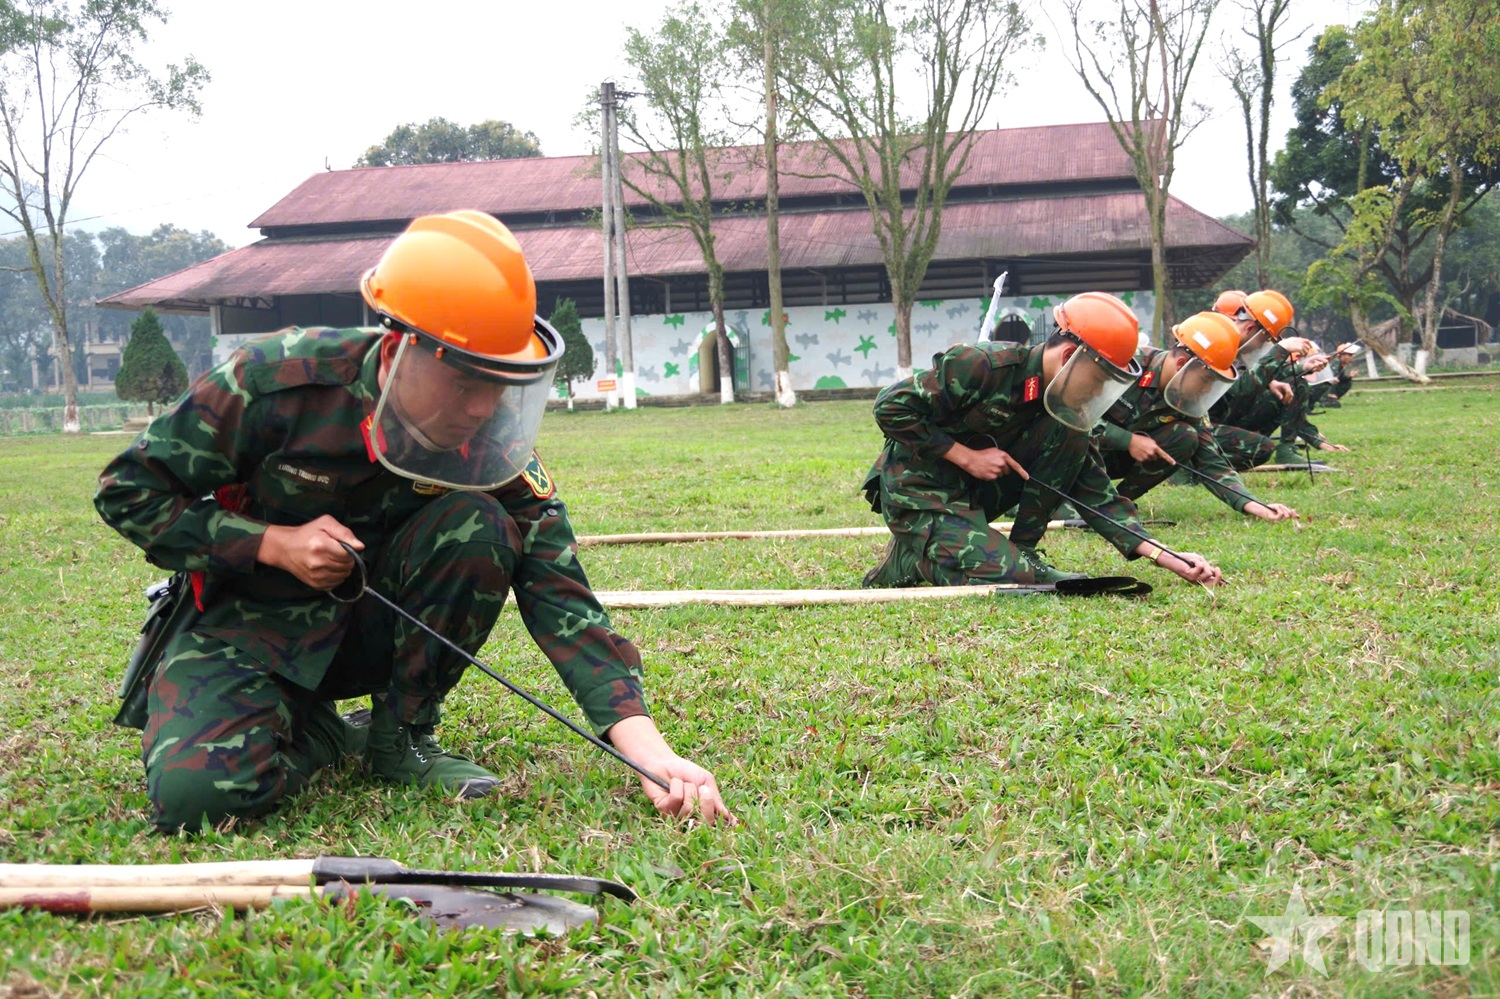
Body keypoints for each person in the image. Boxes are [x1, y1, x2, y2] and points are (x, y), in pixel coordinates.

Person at [96, 210, 734, 833]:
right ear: (402, 349)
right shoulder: (276, 383)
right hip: (250, 623)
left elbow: (559, 590)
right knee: (198, 801)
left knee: (480, 525)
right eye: (465, 380)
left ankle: (400, 735)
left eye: (502, 382)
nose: (484, 407)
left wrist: (646, 750)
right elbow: (128, 491)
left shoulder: (489, 442)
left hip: (377, 631)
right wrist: (270, 544)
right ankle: (317, 730)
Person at [861, 291, 1224, 589]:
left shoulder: (1064, 410)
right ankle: (912, 560)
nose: (1098, 390)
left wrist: (1166, 555)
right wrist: (964, 456)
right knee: (1018, 579)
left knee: (1072, 440)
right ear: (1070, 357)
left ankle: (1023, 550)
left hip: (974, 493)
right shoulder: (983, 365)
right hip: (917, 490)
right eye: (1099, 379)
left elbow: (1097, 494)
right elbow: (890, 406)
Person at [1096, 311, 1299, 521]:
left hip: (1107, 463)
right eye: (1206, 380)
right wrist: (1128, 440)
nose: (1206, 390)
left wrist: (1254, 505)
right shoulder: (1125, 365)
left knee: (1184, 436)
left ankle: (1114, 503)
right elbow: (1070, 418)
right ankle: (1072, 499)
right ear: (1182, 363)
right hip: (1072, 458)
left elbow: (1211, 461)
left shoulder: (1187, 400)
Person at [1207, 289, 1350, 467]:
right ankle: (1196, 463)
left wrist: (1301, 368)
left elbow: (1258, 376)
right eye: (1267, 337)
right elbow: (1241, 389)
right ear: (1251, 327)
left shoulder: (1242, 348)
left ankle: (1286, 449)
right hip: (1202, 428)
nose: (1267, 343)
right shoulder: (1216, 345)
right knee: (1262, 448)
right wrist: (1280, 350)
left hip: (1227, 420)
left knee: (1294, 385)